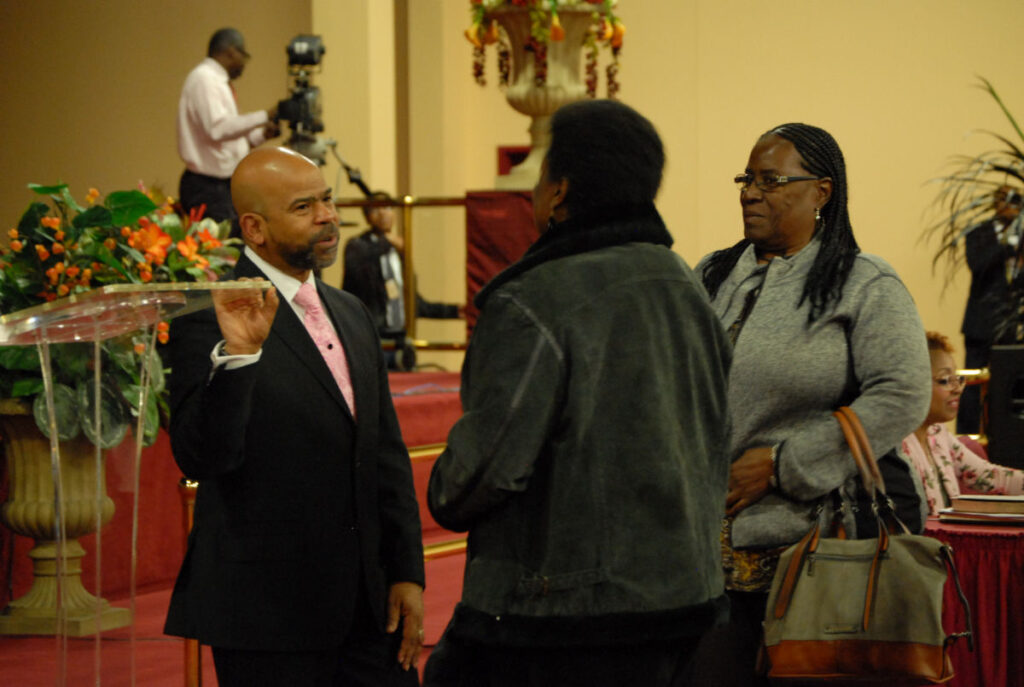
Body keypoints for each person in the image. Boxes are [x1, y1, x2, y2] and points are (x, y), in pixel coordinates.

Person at [424, 100, 733, 687]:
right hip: (683, 596)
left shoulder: (534, 299)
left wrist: (445, 488)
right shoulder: (685, 288)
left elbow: (485, 471)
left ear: (560, 191)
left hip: (559, 616)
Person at [164, 147, 424, 687]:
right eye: (305, 207)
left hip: (369, 606)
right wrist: (239, 358)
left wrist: (406, 573)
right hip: (267, 616)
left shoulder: (350, 312)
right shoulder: (203, 313)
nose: (328, 216)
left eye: (327, 199)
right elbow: (201, 455)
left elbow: (384, 454)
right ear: (255, 228)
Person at [692, 123, 931, 686]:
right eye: (746, 179)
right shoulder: (712, 274)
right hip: (703, 557)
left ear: (821, 192)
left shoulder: (862, 282)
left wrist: (782, 465)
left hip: (816, 552)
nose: (751, 192)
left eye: (770, 180)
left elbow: (903, 394)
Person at [902, 331, 1024, 515]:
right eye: (945, 380)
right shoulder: (898, 444)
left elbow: (992, 477)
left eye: (958, 379)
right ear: (914, 384)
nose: (957, 389)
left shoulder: (937, 432)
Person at [177, 28, 280, 226]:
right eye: (244, 56)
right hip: (207, 186)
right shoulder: (204, 79)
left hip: (222, 185)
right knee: (221, 253)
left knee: (234, 248)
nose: (244, 64)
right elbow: (217, 130)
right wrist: (265, 115)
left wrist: (261, 135)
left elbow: (227, 140)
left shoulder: (217, 82)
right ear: (232, 51)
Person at [342, 191, 463, 342]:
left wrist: (454, 311)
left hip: (401, 335)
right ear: (367, 217)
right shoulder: (357, 246)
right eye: (375, 210)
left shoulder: (397, 250)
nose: (383, 214)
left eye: (387, 208)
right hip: (370, 336)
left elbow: (414, 304)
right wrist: (387, 241)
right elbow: (358, 280)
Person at [958, 185, 1024, 433]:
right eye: (1006, 201)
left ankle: (1009, 441)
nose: (1012, 207)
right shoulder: (979, 232)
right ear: (996, 204)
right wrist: (1008, 245)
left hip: (1014, 327)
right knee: (971, 389)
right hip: (980, 325)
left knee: (1010, 388)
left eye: (1017, 201)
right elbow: (978, 265)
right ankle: (967, 439)